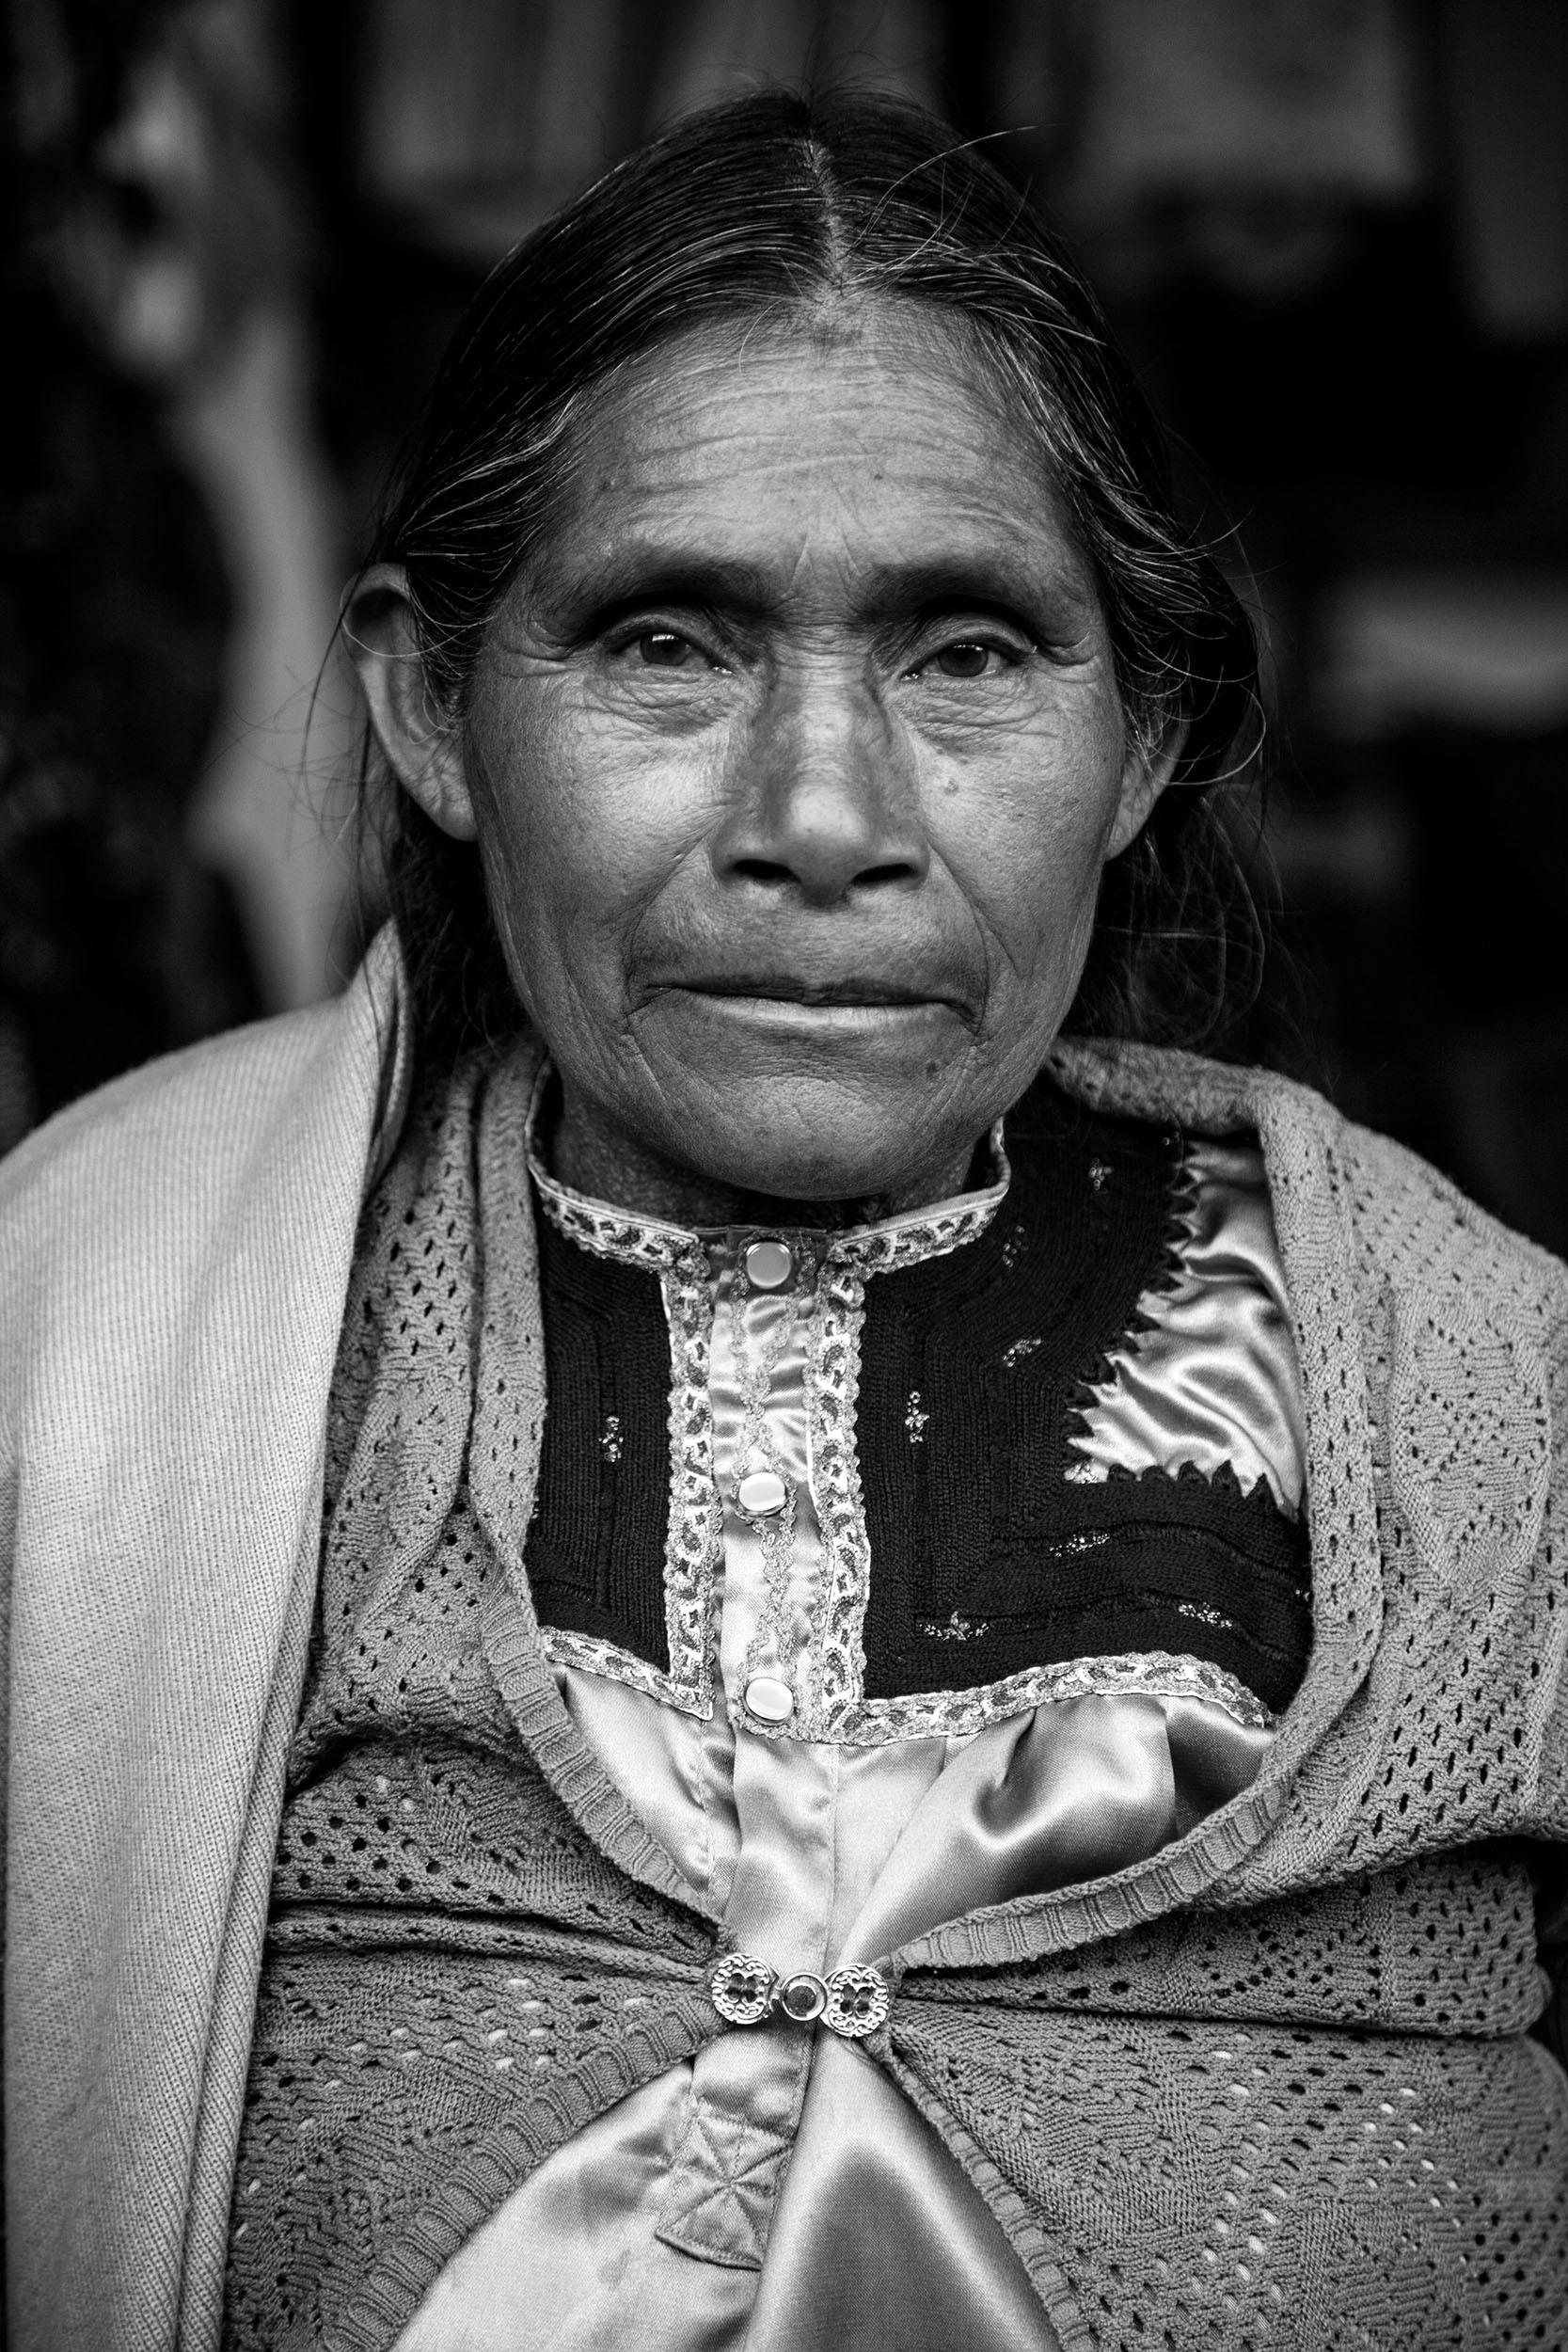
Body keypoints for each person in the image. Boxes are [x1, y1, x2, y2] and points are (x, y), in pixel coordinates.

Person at [3, 89, 1564, 2352]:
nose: (820, 816)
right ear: (433, 707)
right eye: (667, 642)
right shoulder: (93, 1336)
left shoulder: (1487, 1393)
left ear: (1142, 738)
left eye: (967, 652)